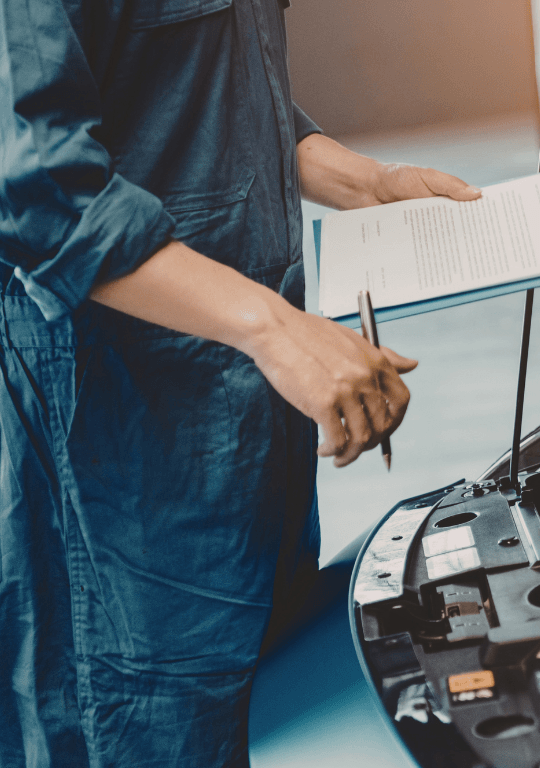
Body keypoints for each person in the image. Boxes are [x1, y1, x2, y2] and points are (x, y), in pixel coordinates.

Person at [0, 1, 479, 765]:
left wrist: (366, 181)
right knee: (157, 717)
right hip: (123, 436)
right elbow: (40, 191)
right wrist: (273, 329)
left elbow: (185, 94)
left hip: (243, 416)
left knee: (264, 699)